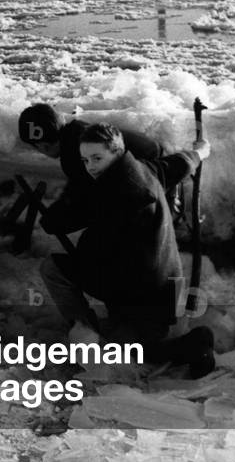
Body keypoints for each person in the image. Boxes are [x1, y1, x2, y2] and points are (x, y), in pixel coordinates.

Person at [38, 123, 215, 378]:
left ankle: (88, 335)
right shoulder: (143, 170)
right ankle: (108, 333)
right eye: (85, 160)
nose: (90, 167)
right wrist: (199, 152)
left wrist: (57, 217)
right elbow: (177, 164)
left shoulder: (115, 194)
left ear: (117, 152)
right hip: (160, 286)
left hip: (144, 296)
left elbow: (65, 219)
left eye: (97, 158)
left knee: (131, 355)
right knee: (127, 343)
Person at [18, 103, 186, 230]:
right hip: (157, 170)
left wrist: (55, 219)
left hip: (153, 186)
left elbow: (88, 198)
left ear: (42, 145)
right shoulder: (78, 132)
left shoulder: (75, 153)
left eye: (36, 147)